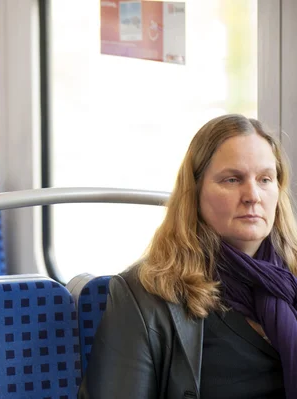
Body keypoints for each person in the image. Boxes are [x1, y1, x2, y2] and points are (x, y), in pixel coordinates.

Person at [79, 114, 296, 398]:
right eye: (232, 179)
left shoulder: (291, 278)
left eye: (265, 179)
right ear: (195, 192)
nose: (252, 195)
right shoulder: (145, 295)